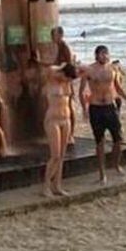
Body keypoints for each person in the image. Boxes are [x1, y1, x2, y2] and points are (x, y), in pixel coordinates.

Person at [79, 45, 126, 185]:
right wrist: (84, 109)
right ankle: (102, 173)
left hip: (110, 106)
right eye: (102, 54)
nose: (105, 56)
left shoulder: (113, 69)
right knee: (100, 141)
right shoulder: (89, 70)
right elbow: (81, 91)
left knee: (118, 139)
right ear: (96, 55)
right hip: (95, 108)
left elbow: (118, 87)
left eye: (106, 53)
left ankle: (116, 164)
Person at [42, 63, 79, 197]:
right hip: (53, 120)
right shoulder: (52, 78)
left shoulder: (67, 82)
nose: (68, 81)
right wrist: (63, 67)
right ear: (62, 73)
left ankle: (57, 185)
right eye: (67, 78)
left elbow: (82, 70)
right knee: (55, 156)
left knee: (62, 156)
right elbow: (50, 68)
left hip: (66, 119)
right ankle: (46, 186)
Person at [50, 27, 77, 145]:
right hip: (61, 79)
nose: (52, 38)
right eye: (51, 35)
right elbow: (57, 64)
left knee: (69, 106)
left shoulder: (65, 48)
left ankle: (71, 134)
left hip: (66, 80)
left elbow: (69, 66)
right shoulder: (59, 47)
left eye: (54, 35)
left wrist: (68, 81)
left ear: (60, 35)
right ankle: (66, 133)